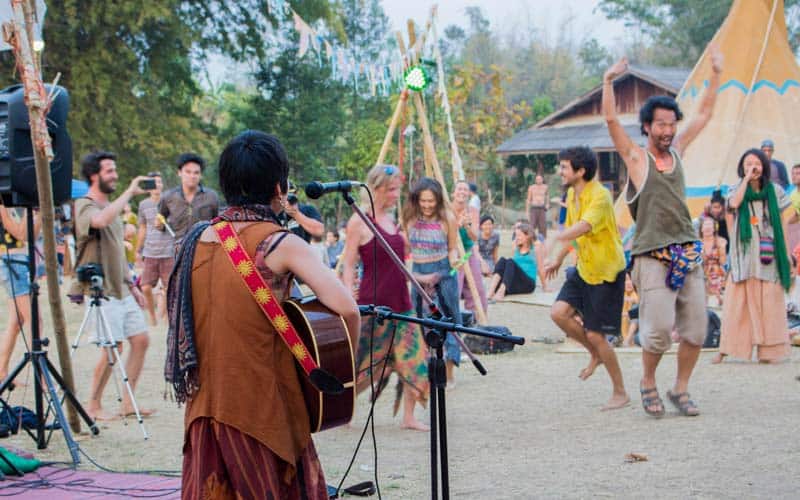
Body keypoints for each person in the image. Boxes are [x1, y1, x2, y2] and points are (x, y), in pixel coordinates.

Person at [166, 131, 359, 499]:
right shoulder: (280, 242)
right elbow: (346, 308)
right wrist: (337, 365)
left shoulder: (194, 240)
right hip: (263, 409)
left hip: (205, 408)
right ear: (278, 186)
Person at [603, 47, 723, 417]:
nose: (668, 130)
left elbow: (704, 114)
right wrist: (608, 81)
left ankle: (681, 388)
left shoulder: (680, 150)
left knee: (696, 329)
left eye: (672, 124)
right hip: (651, 253)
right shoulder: (638, 159)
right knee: (655, 332)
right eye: (661, 124)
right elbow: (610, 123)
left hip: (687, 251)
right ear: (647, 127)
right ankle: (648, 381)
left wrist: (716, 74)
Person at [341, 164, 429, 431]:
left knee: (414, 358)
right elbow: (348, 264)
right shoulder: (359, 221)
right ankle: (341, 407)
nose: (395, 195)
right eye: (391, 190)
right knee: (366, 364)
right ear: (376, 189)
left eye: (397, 190)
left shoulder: (394, 221)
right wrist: (348, 300)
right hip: (373, 305)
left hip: (402, 302)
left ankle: (409, 417)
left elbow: (400, 263)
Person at [544, 146, 629, 411]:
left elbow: (584, 226)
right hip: (584, 268)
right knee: (558, 313)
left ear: (580, 171)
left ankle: (620, 392)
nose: (560, 172)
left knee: (596, 334)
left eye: (565, 167)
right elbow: (574, 233)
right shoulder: (571, 194)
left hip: (606, 272)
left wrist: (556, 238)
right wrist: (558, 257)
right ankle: (594, 354)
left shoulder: (601, 196)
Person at [72, 151, 153, 420]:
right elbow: (99, 221)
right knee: (113, 347)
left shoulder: (113, 209)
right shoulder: (84, 204)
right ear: (94, 175)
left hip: (121, 287)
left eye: (115, 170)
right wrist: (130, 193)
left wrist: (133, 285)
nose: (115, 175)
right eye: (109, 170)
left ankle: (128, 403)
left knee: (140, 341)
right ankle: (92, 404)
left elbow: (117, 251)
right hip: (99, 290)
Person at [713, 149, 792, 364]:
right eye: (748, 164)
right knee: (736, 304)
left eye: (756, 164)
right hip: (743, 256)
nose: (753, 167)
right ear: (742, 167)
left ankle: (769, 352)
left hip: (769, 256)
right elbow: (734, 204)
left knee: (770, 302)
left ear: (764, 166)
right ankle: (726, 349)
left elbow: (784, 222)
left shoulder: (775, 190)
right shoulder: (735, 188)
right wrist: (746, 180)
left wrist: (786, 252)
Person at [403, 177, 462, 387]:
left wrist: (454, 257)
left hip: (443, 275)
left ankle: (449, 374)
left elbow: (452, 247)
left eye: (431, 201)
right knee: (421, 325)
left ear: (438, 200)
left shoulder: (448, 218)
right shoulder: (409, 218)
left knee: (450, 323)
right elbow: (406, 250)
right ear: (416, 200)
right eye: (423, 201)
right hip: (419, 275)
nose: (427, 205)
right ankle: (428, 372)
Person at [0, 203, 41, 382]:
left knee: (17, 321)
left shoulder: (14, 202)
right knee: (35, 320)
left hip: (19, 259)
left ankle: (1, 371)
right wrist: (28, 209)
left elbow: (32, 235)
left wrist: (37, 213)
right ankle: (42, 377)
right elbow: (21, 234)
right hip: (10, 261)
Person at [135, 172, 174, 326]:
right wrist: (138, 250)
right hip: (150, 251)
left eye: (159, 182)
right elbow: (142, 228)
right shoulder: (144, 205)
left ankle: (164, 316)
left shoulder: (170, 201)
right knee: (145, 287)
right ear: (148, 187)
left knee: (168, 287)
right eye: (153, 183)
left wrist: (165, 222)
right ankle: (152, 315)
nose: (157, 185)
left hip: (168, 250)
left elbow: (176, 224)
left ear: (162, 184)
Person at [158, 153, 219, 247]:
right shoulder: (168, 197)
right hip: (178, 250)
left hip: (205, 248)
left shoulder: (211, 196)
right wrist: (159, 225)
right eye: (188, 172)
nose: (192, 176)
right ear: (179, 172)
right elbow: (161, 222)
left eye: (196, 172)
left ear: (201, 175)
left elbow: (218, 224)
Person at [452, 180, 488, 317]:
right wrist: (457, 225)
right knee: (455, 286)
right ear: (453, 193)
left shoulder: (472, 211)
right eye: (459, 189)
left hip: (468, 252)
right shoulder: (447, 209)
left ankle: (477, 319)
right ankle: (452, 320)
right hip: (453, 253)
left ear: (469, 194)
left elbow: (474, 237)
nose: (462, 192)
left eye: (465, 190)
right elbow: (445, 233)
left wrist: (466, 226)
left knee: (476, 287)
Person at [487, 222, 544, 300]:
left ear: (527, 235)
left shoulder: (536, 247)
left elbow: (541, 268)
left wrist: (545, 287)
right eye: (516, 235)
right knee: (502, 260)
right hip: (516, 282)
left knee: (510, 261)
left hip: (528, 284)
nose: (516, 238)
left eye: (519, 235)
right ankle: (491, 291)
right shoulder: (515, 246)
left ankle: (501, 292)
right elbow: (510, 269)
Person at [699, 216, 727, 307]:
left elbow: (723, 262)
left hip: (718, 277)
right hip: (702, 277)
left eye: (710, 225)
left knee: (718, 307)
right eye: (705, 225)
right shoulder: (697, 244)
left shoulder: (720, 241)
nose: (707, 227)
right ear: (701, 229)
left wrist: (722, 249)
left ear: (714, 229)